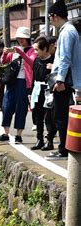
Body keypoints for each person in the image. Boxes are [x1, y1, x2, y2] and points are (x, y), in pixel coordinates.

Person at [45, 0, 81, 160]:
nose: (49, 20)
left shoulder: (66, 32)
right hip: (67, 79)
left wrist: (59, 81)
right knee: (61, 116)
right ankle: (64, 148)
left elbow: (65, 59)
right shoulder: (70, 30)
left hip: (65, 81)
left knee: (61, 116)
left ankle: (64, 150)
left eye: (49, 17)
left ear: (55, 16)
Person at [0, 26, 36, 144]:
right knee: (7, 106)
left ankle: (19, 134)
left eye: (23, 38)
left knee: (21, 108)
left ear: (27, 38)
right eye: (19, 38)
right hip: (12, 81)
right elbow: (4, 61)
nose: (20, 40)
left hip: (23, 81)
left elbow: (31, 62)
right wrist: (5, 53)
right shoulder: (15, 49)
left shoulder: (32, 50)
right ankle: (5, 133)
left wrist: (20, 52)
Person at [30, 36, 56, 150]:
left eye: (37, 50)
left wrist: (53, 68)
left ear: (45, 49)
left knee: (49, 117)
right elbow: (33, 76)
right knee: (38, 116)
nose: (35, 52)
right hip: (37, 89)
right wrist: (30, 92)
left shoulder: (54, 60)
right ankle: (39, 139)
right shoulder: (36, 60)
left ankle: (49, 140)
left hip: (49, 91)